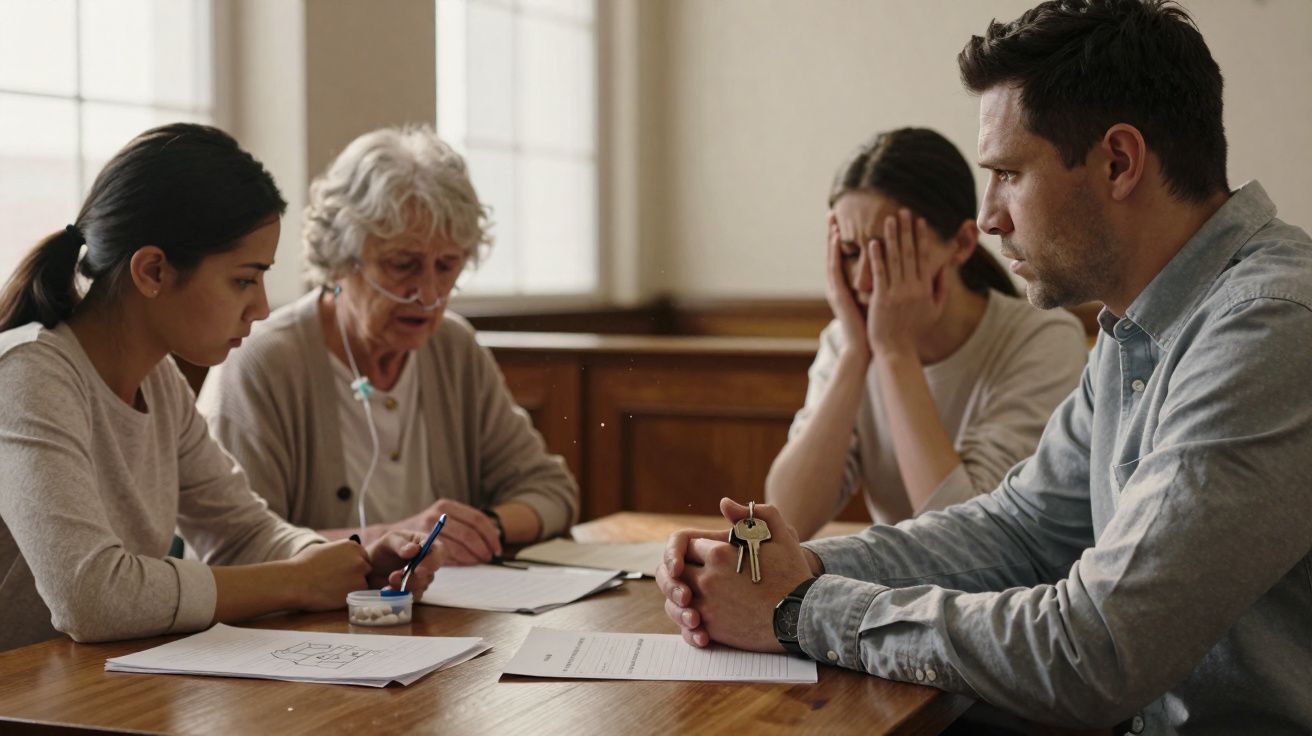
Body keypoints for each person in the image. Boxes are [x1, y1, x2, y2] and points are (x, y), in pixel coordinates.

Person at [657, 0, 1312, 731]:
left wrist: (799, 609)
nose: (992, 215)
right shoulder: (1136, 328)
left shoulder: (1271, 326)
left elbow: (1094, 649)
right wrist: (798, 569)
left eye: (1007, 174)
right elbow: (1017, 530)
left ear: (1119, 162)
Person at [0, 123, 439, 653]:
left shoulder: (158, 380)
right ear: (153, 270)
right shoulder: (28, 376)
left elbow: (241, 534)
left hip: (86, 696)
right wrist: (297, 581)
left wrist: (357, 564)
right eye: (243, 280)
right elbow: (90, 595)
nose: (262, 308)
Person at [197, 125, 579, 565]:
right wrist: (391, 537)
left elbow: (552, 491)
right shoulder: (263, 362)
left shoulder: (453, 348)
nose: (429, 293)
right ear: (340, 258)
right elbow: (235, 550)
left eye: (447, 265)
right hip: (306, 629)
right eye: (404, 264)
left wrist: (479, 528)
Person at [766, 128, 1085, 537]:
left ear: (962, 243)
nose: (864, 279)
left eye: (889, 252)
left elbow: (968, 536)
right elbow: (787, 518)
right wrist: (855, 356)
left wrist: (895, 352)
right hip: (895, 593)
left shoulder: (1042, 339)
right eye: (849, 253)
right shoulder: (845, 341)